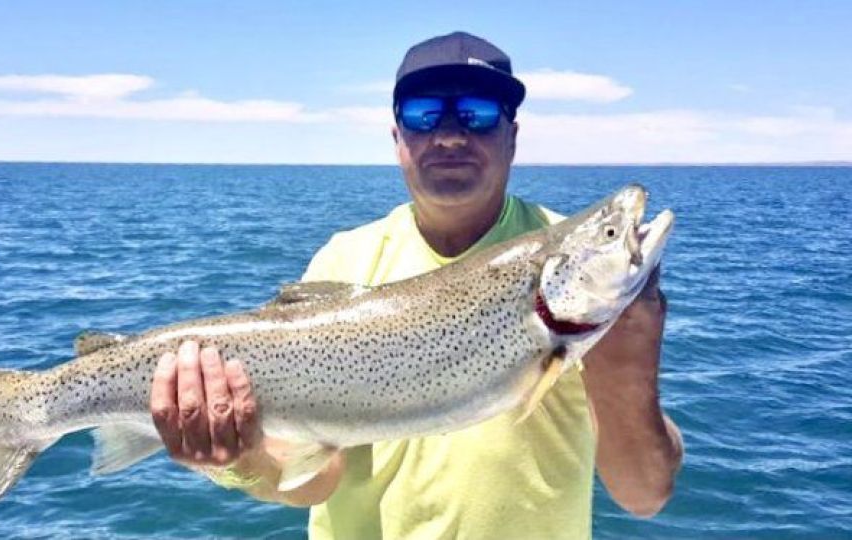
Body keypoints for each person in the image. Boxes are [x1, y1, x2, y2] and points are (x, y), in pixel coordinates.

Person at [150, 31, 683, 539]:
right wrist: (244, 461)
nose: (450, 135)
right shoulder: (345, 260)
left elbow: (643, 495)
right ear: (397, 137)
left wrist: (630, 353)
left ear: (512, 136)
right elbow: (310, 477)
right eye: (425, 115)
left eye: (477, 114)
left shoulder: (575, 269)